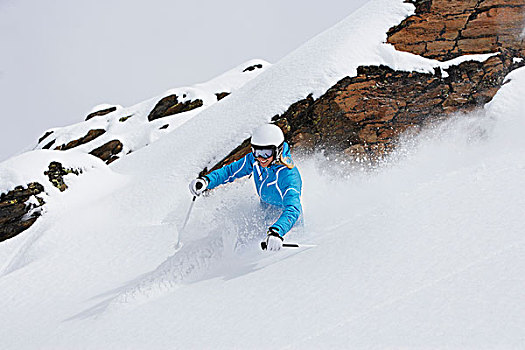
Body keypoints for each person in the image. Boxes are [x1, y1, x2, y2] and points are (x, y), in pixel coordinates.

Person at [189, 124, 302, 251]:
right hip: (266, 219)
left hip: (286, 231)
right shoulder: (255, 161)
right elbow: (229, 171)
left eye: (266, 153)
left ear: (278, 150)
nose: (261, 158)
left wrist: (277, 232)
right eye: (257, 152)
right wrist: (207, 181)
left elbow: (293, 209)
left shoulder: (288, 176)